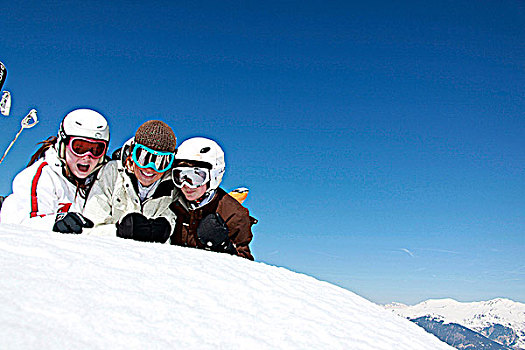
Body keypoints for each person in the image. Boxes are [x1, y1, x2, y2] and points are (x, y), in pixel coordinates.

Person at [0, 108, 110, 233]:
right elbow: (26, 224)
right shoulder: (42, 176)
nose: (87, 156)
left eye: (96, 149)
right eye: (79, 147)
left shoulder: (102, 179)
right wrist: (55, 222)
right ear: (63, 144)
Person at [82, 120, 178, 243]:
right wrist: (119, 231)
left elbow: (174, 218)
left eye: (160, 162)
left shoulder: (173, 186)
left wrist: (166, 228)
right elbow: (88, 228)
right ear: (132, 154)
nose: (149, 168)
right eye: (143, 157)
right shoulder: (113, 173)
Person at [169, 137, 254, 260]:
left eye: (196, 177)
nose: (186, 185)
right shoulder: (173, 201)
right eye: (180, 176)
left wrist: (224, 247)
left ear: (214, 176)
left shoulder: (235, 215)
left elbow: (245, 265)